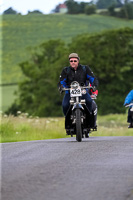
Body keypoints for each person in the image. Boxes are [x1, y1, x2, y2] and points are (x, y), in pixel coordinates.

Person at [58, 53, 98, 118]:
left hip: (83, 91)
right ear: (69, 62)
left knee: (89, 101)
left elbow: (92, 78)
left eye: (75, 61)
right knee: (65, 105)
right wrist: (62, 87)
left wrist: (94, 85)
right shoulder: (65, 70)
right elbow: (62, 81)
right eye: (71, 61)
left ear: (78, 61)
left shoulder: (85, 69)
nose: (73, 62)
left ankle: (89, 118)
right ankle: (68, 119)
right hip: (69, 92)